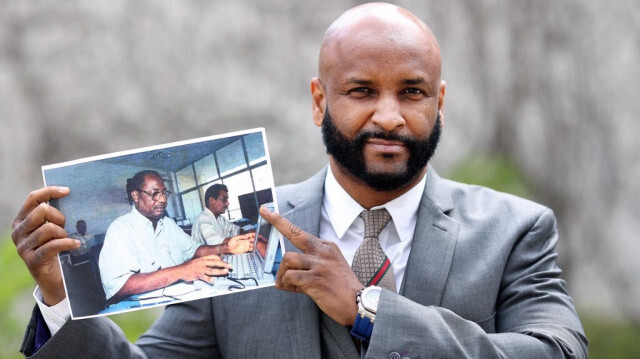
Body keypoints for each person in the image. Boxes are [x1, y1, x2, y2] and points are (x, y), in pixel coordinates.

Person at [11, 3, 587, 358]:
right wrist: (61, 299)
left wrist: (366, 310)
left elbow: (560, 353)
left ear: (439, 102)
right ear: (319, 101)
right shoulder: (250, 234)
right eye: (362, 91)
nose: (389, 115)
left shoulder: (515, 231)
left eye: (411, 92)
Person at [98, 170, 255, 304]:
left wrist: (225, 248)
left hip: (178, 294)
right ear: (135, 196)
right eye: (154, 194)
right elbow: (119, 287)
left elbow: (194, 250)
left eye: (164, 193)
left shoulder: (168, 224)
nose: (163, 199)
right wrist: (182, 270)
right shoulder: (120, 229)